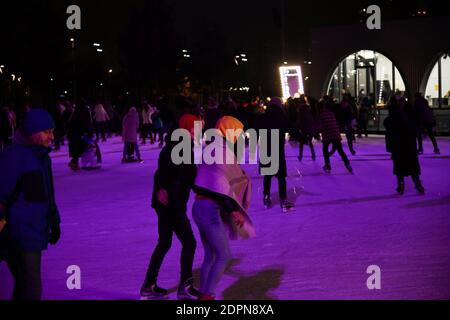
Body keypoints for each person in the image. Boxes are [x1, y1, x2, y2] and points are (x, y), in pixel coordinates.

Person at [0, 108, 61, 300]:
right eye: (47, 131)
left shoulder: (42, 158)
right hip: (19, 234)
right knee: (32, 288)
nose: (51, 136)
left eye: (52, 131)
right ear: (33, 131)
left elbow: (47, 195)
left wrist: (54, 221)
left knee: (25, 285)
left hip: (35, 231)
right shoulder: (14, 156)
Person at [192, 116, 255, 300]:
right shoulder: (220, 151)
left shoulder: (212, 148)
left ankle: (204, 294)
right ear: (229, 130)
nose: (240, 136)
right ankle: (207, 297)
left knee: (211, 256)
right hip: (209, 209)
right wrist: (232, 209)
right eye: (237, 131)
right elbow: (219, 185)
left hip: (200, 207)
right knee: (223, 255)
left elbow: (207, 182)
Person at [140, 114, 201, 300]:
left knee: (165, 242)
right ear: (188, 128)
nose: (199, 131)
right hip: (172, 204)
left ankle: (148, 286)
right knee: (189, 243)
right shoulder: (179, 146)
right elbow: (168, 173)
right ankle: (185, 286)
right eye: (197, 127)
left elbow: (175, 174)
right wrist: (163, 189)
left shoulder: (179, 144)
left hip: (168, 202)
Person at [255, 97, 295, 212]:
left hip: (266, 148)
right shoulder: (282, 117)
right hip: (277, 149)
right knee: (281, 176)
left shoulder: (262, 117)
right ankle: (283, 199)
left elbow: (256, 130)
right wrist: (302, 137)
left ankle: (266, 197)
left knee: (267, 176)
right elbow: (291, 128)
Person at [384, 96, 425, 195]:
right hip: (408, 144)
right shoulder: (410, 114)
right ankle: (417, 184)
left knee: (400, 167)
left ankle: (402, 185)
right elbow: (417, 127)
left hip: (399, 145)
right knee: (412, 166)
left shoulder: (394, 115)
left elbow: (388, 127)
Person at [319, 96, 353, 174]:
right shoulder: (332, 113)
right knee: (340, 151)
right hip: (335, 133)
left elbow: (321, 125)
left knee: (325, 149)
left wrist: (318, 131)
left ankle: (327, 165)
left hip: (327, 134)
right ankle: (347, 164)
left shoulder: (322, 114)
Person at [297, 95, 316, 161]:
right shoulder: (309, 109)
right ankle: (313, 155)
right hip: (310, 128)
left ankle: (300, 156)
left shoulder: (301, 110)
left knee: (301, 143)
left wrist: (300, 127)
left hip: (304, 128)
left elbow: (301, 120)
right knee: (310, 142)